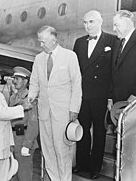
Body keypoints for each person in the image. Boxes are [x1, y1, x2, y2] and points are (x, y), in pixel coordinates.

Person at [28, 25, 82, 181]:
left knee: (62, 150)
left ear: (54, 39)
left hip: (64, 112)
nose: (41, 45)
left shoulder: (70, 56)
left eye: (43, 41)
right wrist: (31, 96)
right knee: (48, 150)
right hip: (44, 112)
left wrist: (74, 108)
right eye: (40, 41)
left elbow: (76, 84)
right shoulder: (39, 59)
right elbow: (35, 81)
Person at [73, 10, 116, 179]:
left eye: (91, 22)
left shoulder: (112, 40)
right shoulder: (79, 42)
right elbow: (75, 71)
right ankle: (82, 164)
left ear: (100, 21)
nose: (88, 26)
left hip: (101, 95)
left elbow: (114, 71)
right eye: (85, 22)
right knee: (82, 131)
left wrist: (111, 96)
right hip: (83, 95)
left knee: (99, 132)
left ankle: (95, 168)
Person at [9, 66, 39, 181]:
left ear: (26, 81)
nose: (14, 81)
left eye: (17, 78)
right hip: (14, 139)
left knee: (24, 175)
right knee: (13, 174)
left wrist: (27, 145)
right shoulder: (13, 98)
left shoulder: (30, 99)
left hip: (24, 139)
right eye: (14, 78)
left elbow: (33, 123)